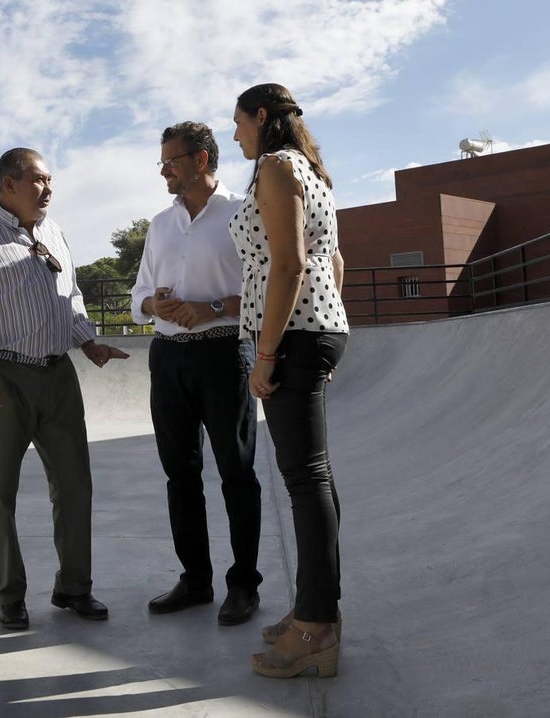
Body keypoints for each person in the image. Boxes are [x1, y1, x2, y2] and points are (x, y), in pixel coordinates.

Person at [0, 147, 130, 631]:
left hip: (58, 375)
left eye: (50, 181)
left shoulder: (54, 233)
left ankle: (75, 588)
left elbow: (72, 295)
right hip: (1, 377)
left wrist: (87, 341)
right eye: (39, 180)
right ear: (8, 184)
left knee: (75, 487)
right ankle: (10, 595)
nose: (48, 190)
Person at [229, 83, 350, 678]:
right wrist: (328, 321)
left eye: (238, 125)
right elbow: (335, 264)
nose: (235, 137)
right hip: (316, 328)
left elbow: (291, 263)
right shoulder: (313, 170)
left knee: (305, 480)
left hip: (292, 337)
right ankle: (314, 609)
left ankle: (315, 628)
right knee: (312, 478)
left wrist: (267, 354)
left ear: (260, 117)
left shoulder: (276, 167)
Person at [130, 122, 262, 626]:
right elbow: (138, 296)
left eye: (172, 160)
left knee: (236, 473)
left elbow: (266, 287)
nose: (164, 169)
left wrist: (211, 307)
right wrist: (152, 302)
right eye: (161, 161)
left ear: (202, 160)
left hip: (225, 353)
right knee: (179, 474)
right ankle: (196, 580)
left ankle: (244, 585)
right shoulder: (160, 224)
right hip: (167, 357)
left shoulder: (241, 212)